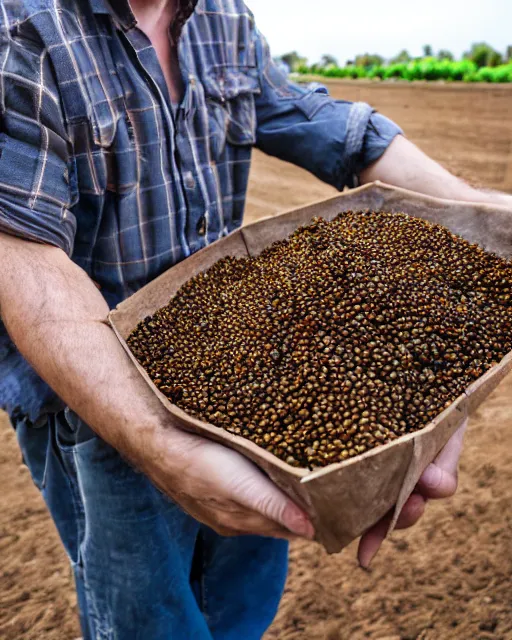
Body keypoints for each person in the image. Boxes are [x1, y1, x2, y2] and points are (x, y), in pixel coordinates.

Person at [0, 0, 509, 637]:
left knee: (241, 605)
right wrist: (158, 440)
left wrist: (486, 216)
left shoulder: (221, 17)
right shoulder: (23, 29)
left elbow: (330, 125)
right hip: (92, 403)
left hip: (250, 389)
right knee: (148, 624)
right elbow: (20, 248)